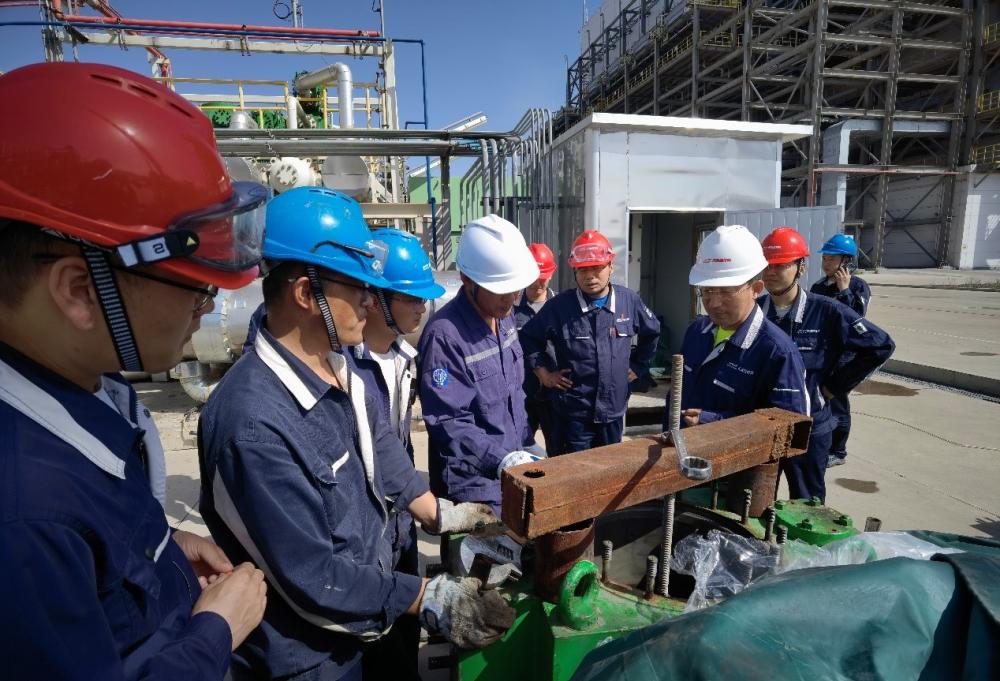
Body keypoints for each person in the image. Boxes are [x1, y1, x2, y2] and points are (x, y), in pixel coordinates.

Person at [0, 62, 268, 680]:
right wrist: (215, 631)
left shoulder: (83, 389)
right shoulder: (25, 517)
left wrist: (160, 551)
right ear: (79, 290)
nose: (207, 307)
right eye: (195, 287)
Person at [198, 188, 513, 681]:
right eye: (359, 287)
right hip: (314, 654)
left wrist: (438, 511)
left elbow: (379, 445)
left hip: (369, 608)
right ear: (306, 294)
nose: (371, 300)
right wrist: (426, 595)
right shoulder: (252, 425)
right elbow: (312, 574)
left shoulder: (334, 364)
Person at [346, 227, 446, 681]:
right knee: (378, 651)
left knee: (407, 632)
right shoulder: (343, 365)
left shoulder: (406, 357)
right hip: (364, 537)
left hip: (401, 526)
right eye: (412, 298)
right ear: (376, 298)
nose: (422, 308)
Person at [760, 227, 895, 501]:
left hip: (809, 428)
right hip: (762, 425)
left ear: (800, 267)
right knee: (754, 502)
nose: (771, 272)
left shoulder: (827, 311)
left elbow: (880, 345)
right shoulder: (754, 312)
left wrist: (834, 387)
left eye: (781, 264)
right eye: (767, 265)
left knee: (807, 503)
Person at [418, 214, 542, 513]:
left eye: (515, 290)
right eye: (501, 291)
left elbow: (514, 393)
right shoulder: (445, 336)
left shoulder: (505, 316)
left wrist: (525, 444)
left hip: (512, 468)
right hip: (473, 486)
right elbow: (448, 421)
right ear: (467, 280)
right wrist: (500, 460)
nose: (510, 299)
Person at [520, 231, 660, 454]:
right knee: (572, 470)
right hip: (573, 416)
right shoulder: (559, 307)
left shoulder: (628, 301)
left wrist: (638, 365)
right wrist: (544, 374)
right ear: (574, 271)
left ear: (611, 267)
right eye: (583, 269)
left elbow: (652, 331)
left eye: (597, 267)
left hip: (612, 413)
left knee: (608, 467)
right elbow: (528, 337)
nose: (590, 276)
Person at [666, 224, 808, 431]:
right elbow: (675, 397)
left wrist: (713, 422)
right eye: (707, 290)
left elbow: (789, 428)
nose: (714, 303)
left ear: (756, 289)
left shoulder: (777, 352)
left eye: (726, 291)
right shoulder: (697, 331)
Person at [810, 233, 872, 467]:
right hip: (823, 353)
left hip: (845, 357)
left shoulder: (858, 287)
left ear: (846, 261)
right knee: (820, 400)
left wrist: (844, 290)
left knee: (837, 403)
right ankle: (822, 443)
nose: (826, 263)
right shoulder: (818, 286)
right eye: (824, 258)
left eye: (831, 259)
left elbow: (856, 320)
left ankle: (838, 451)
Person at [512, 243, 560, 452]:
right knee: (518, 450)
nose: (537, 283)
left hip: (555, 395)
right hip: (521, 394)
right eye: (532, 278)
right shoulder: (509, 308)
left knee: (557, 451)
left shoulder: (561, 307)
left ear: (552, 274)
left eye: (543, 278)